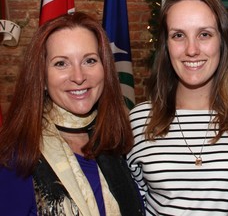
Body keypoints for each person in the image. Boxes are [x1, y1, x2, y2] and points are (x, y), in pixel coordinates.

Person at [127, 0, 228, 215]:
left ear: (222, 41)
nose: (191, 50)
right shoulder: (140, 120)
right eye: (178, 35)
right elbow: (134, 203)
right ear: (166, 45)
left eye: (204, 34)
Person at [0, 12, 145, 215]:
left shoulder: (117, 145)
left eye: (89, 61)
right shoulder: (15, 158)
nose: (78, 77)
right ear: (41, 77)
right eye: (61, 63)